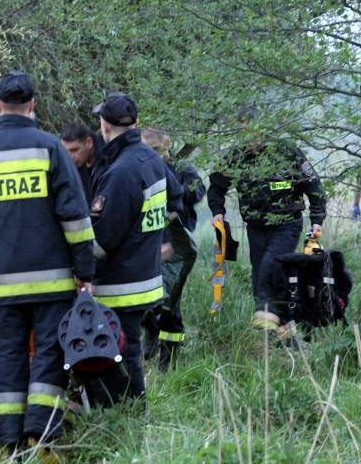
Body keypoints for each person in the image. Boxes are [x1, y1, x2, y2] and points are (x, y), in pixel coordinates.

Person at [0, 72, 95, 456]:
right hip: (53, 282)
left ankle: (7, 442)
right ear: (33, 104)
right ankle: (41, 439)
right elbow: (75, 219)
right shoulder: (50, 148)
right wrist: (84, 272)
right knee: (49, 353)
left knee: (8, 356)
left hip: (4, 284)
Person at [88, 93, 183, 405]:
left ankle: (132, 412)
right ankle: (130, 411)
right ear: (136, 123)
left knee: (122, 352)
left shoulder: (120, 172)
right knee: (127, 348)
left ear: (104, 126)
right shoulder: (151, 159)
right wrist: (151, 236)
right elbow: (176, 201)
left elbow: (100, 241)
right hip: (146, 276)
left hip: (120, 284)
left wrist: (77, 265)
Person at [207, 106, 326, 332]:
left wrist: (317, 219)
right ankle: (282, 328)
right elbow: (216, 187)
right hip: (256, 227)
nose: (250, 139)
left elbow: (314, 187)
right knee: (260, 276)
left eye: (254, 132)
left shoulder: (288, 152)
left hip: (287, 224)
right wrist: (217, 212)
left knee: (270, 268)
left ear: (265, 128)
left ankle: (266, 318)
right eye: (244, 133)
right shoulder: (236, 157)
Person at [140, 126, 206, 372]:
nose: (152, 153)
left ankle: (169, 359)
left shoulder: (183, 169)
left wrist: (172, 187)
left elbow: (198, 192)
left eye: (156, 148)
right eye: (147, 149)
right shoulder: (142, 169)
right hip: (149, 244)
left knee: (171, 302)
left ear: (167, 143)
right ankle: (151, 330)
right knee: (145, 298)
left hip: (176, 247)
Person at [59, 122, 107, 205]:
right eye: (65, 151)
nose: (70, 157)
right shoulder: (68, 166)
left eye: (74, 150)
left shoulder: (110, 158)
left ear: (89, 142)